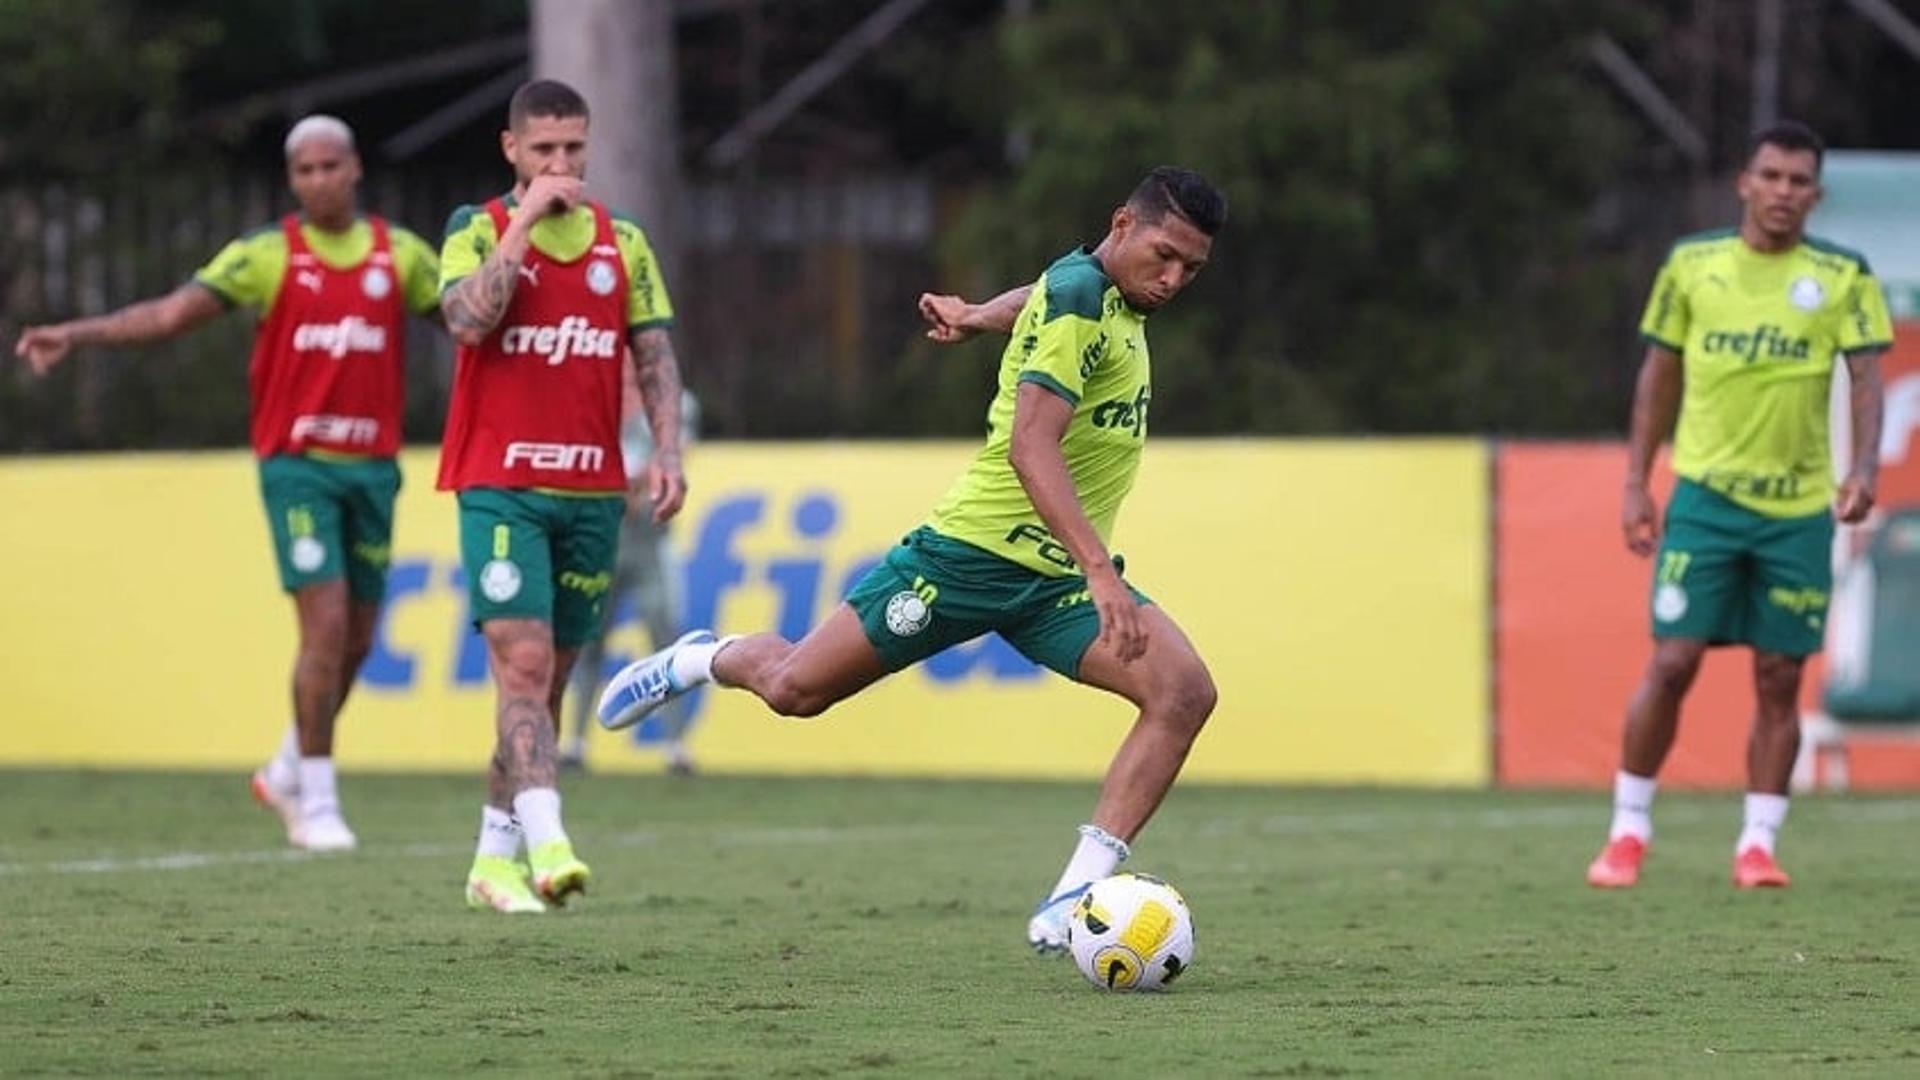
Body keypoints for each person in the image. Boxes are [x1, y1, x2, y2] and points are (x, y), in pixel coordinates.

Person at [599, 166, 1226, 952]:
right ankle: (704, 660)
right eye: (1164, 256)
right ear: (1123, 226)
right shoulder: (1077, 298)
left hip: (1052, 581)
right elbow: (1035, 448)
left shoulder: (1092, 290)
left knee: (1182, 692)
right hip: (966, 560)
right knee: (795, 689)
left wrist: (973, 315)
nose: (1172, 280)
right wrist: (1103, 572)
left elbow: (1036, 294)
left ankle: (1075, 895)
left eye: (1191, 270)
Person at [13, 116, 442, 853]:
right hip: (297, 468)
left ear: (355, 168)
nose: (317, 180)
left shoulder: (399, 255)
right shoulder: (267, 256)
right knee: (327, 626)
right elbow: (172, 314)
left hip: (374, 470)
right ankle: (317, 800)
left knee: (359, 645)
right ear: (291, 178)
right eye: (302, 170)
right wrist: (77, 334)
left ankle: (281, 769)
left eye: (329, 166)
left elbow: (471, 323)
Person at [1586, 121, 1891, 890]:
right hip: (1706, 501)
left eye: (1799, 181)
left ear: (1815, 196)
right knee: (1674, 659)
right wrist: (1634, 482)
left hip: (1795, 511)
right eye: (1772, 176)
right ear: (1745, 183)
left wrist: (1860, 468)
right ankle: (1628, 830)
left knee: (1780, 675)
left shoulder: (1843, 274)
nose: (1784, 191)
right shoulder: (1693, 266)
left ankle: (1758, 843)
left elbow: (1865, 378)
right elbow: (1658, 376)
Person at [437, 79, 688, 914]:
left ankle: (489, 861)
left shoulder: (624, 242)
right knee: (525, 664)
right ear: (512, 150)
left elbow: (652, 354)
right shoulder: (474, 229)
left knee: (542, 691)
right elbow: (468, 323)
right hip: (499, 485)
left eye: (573, 149)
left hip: (592, 493)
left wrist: (669, 452)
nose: (560, 164)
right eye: (543, 150)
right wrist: (521, 223)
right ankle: (550, 843)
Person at [561, 386, 702, 776]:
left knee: (665, 640)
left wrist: (633, 480)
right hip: (603, 539)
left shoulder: (674, 402)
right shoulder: (589, 398)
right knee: (589, 640)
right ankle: (574, 742)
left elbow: (674, 457)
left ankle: (676, 745)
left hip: (651, 539)